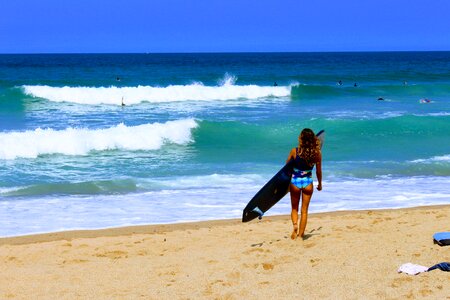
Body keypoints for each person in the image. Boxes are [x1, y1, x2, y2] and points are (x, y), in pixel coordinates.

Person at [286, 128, 322, 240]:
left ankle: (295, 226)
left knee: (294, 208)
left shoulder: (294, 151)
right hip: (308, 182)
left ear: (301, 138)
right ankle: (301, 235)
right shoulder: (317, 153)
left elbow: (286, 167)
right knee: (304, 211)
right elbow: (318, 171)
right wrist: (320, 183)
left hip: (295, 182)